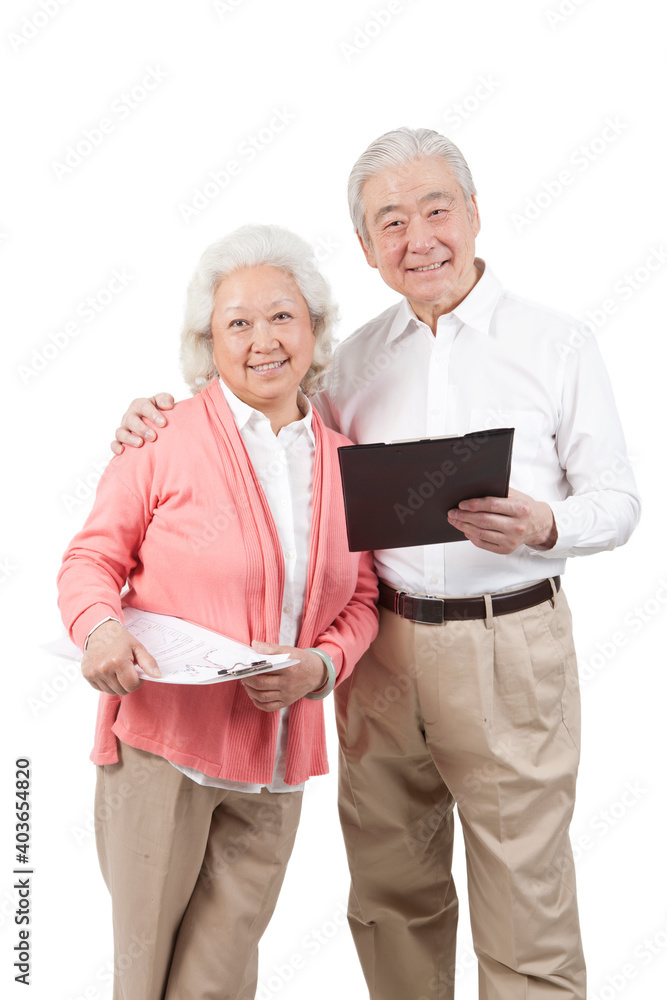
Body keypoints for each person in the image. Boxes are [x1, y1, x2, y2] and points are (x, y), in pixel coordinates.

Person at [111, 128, 640, 1000]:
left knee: (525, 897)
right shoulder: (352, 362)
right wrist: (149, 417)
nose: (418, 237)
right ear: (365, 248)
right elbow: (257, 423)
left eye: (436, 209)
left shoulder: (557, 343)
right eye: (389, 222)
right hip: (380, 649)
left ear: (474, 213)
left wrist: (545, 522)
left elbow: (618, 502)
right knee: (391, 892)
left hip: (507, 643)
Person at [57, 224, 378, 1000]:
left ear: (314, 329)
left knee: (219, 982)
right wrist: (100, 629)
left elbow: (362, 599)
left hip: (274, 761)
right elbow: (89, 561)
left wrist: (322, 665)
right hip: (165, 745)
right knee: (145, 977)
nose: (263, 340)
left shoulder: (346, 460)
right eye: (238, 322)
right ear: (209, 340)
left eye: (281, 317)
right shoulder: (161, 436)